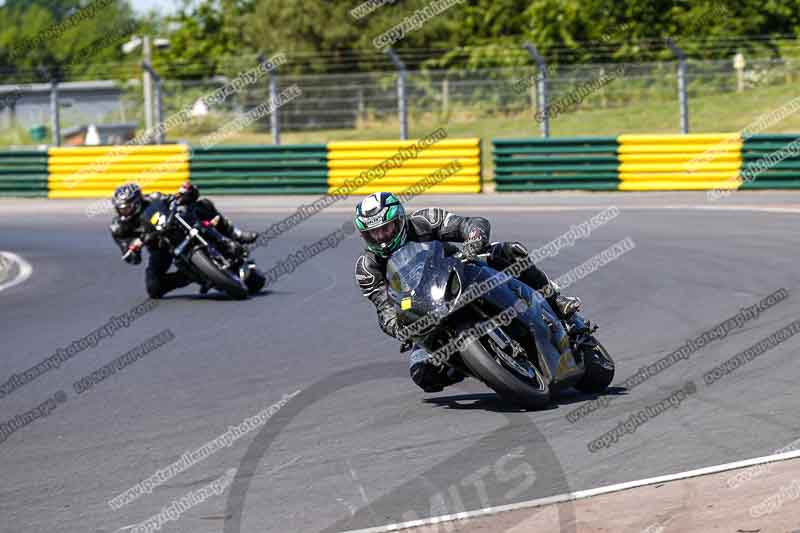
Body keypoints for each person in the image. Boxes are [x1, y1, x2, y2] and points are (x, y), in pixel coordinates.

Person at [353, 192, 581, 393]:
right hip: (425, 310)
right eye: (374, 233)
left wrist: (474, 241)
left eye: (385, 228)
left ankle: (555, 299)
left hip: (461, 271)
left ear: (400, 220)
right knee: (423, 375)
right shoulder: (367, 268)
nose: (381, 237)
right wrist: (398, 327)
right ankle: (476, 364)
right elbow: (384, 309)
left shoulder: (425, 220)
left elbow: (471, 224)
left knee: (509, 252)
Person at [110, 182, 258, 298]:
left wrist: (185, 192)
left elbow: (174, 199)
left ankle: (234, 234)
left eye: (127, 208)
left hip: (177, 225)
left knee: (202, 205)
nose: (124, 211)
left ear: (136, 202)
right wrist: (133, 249)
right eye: (121, 208)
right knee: (153, 288)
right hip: (160, 247)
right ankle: (188, 275)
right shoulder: (118, 228)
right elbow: (131, 257)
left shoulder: (153, 198)